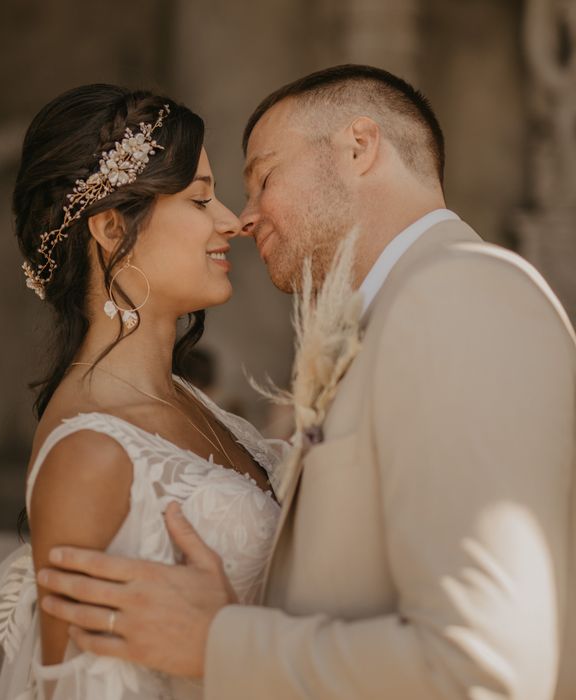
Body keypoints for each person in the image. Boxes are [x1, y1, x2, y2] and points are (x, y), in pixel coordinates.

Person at [39, 65, 576, 699]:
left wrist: (218, 641)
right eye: (206, 197)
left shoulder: (457, 295)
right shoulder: (405, 314)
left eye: (263, 177)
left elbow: (481, 667)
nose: (244, 217)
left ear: (359, 147)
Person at [0, 85, 289, 699]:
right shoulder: (90, 455)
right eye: (201, 198)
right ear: (108, 227)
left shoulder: (186, 400)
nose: (231, 221)